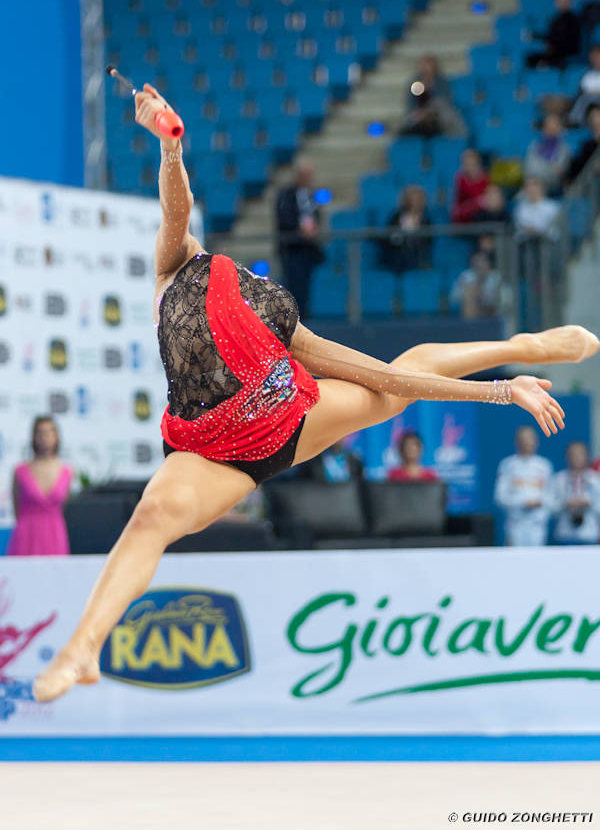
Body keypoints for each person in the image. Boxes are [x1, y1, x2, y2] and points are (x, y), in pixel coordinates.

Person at [33, 81, 598, 704]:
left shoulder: (279, 318)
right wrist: (171, 144)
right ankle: (83, 648)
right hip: (210, 450)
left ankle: (522, 345)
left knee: (395, 384)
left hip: (290, 418)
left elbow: (389, 378)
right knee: (151, 517)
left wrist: (502, 391)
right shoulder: (175, 266)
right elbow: (176, 206)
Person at [7, 417, 74, 556]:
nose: (45, 438)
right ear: (33, 437)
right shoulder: (20, 471)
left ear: (56, 436)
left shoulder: (67, 472)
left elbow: (65, 507)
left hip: (55, 537)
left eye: (49, 432)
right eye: (40, 433)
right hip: (26, 536)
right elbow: (16, 507)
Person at [275, 158, 324, 319]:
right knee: (293, 286)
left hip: (308, 248)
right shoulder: (286, 195)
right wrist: (299, 227)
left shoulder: (312, 195)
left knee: (306, 288)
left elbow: (316, 215)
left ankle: (306, 316)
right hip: (292, 248)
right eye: (305, 175)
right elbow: (283, 218)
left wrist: (314, 228)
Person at [494, 426, 554, 546]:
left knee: (537, 556)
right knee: (516, 556)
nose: (527, 443)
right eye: (523, 439)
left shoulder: (544, 466)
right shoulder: (507, 465)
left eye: (530, 439)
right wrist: (522, 503)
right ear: (516, 442)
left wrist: (540, 502)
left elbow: (551, 496)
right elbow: (500, 498)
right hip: (516, 525)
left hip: (537, 525)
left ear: (536, 441)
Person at [401, 54, 467, 137]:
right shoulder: (415, 84)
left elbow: (444, 102)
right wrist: (419, 114)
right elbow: (410, 104)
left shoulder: (442, 83)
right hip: (418, 119)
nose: (427, 71)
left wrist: (428, 112)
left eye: (429, 67)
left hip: (437, 118)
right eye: (424, 68)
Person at [552, 441, 600, 544]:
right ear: (567, 457)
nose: (576, 458)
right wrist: (565, 504)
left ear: (587, 456)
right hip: (565, 534)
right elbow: (550, 508)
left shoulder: (596, 480)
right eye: (573, 454)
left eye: (580, 454)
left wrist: (589, 503)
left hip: (589, 534)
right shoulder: (559, 479)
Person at [378, 185, 431, 273]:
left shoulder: (426, 220)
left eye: (418, 199)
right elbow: (389, 239)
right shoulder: (395, 217)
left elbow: (428, 241)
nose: (415, 202)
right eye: (412, 199)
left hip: (418, 258)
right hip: (397, 257)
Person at [526, 0, 581, 69]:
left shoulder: (574, 19)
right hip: (554, 53)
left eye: (565, 0)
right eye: (560, 0)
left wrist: (543, 38)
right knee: (530, 59)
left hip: (567, 53)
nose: (562, 3)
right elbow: (551, 39)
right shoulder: (555, 19)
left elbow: (567, 41)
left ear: (571, 1)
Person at [524, 114, 571, 195]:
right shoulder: (535, 145)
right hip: (532, 182)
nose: (550, 129)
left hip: (551, 187)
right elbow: (528, 168)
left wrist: (543, 167)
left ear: (560, 128)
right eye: (547, 126)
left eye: (554, 127)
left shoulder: (564, 149)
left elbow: (558, 172)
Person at [450, 252, 503, 319]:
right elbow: (454, 297)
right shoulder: (466, 276)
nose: (479, 264)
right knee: (469, 293)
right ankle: (471, 323)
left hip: (491, 310)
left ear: (489, 263)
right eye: (477, 261)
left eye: (483, 261)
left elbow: (498, 300)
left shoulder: (495, 277)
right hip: (470, 308)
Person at [514, 177, 561, 244]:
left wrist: (538, 230)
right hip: (526, 244)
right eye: (528, 186)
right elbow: (520, 229)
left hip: (549, 244)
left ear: (542, 187)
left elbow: (554, 229)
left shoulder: (553, 207)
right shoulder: (520, 209)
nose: (531, 188)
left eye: (535, 184)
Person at [451, 149, 489, 223]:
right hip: (466, 222)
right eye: (466, 164)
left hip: (484, 219)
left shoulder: (486, 179)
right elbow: (456, 212)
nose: (469, 167)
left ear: (478, 163)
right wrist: (476, 203)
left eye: (472, 164)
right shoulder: (460, 180)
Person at [566, 104, 600, 184]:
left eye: (598, 115)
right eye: (592, 117)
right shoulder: (588, 146)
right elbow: (577, 168)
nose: (595, 120)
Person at [569, 46, 600, 126]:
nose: (595, 59)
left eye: (597, 56)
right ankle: (575, 123)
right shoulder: (586, 74)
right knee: (583, 99)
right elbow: (583, 91)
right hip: (588, 101)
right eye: (593, 56)